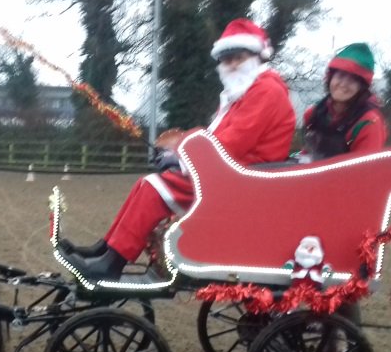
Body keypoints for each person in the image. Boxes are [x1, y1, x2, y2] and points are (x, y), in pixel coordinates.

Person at [62, 18, 297, 281]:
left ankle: (111, 263)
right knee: (146, 183)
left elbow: (233, 141)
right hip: (234, 172)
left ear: (256, 57)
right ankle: (106, 249)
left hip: (245, 178)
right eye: (226, 59)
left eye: (238, 58)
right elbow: (217, 137)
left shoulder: (265, 92)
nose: (231, 65)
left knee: (153, 187)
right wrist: (180, 155)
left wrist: (181, 157)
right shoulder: (243, 92)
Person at [296, 42, 388, 163]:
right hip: (313, 176)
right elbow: (307, 153)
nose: (344, 84)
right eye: (340, 76)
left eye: (353, 80)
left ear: (362, 87)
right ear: (330, 78)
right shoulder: (313, 113)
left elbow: (366, 174)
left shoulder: (369, 124)